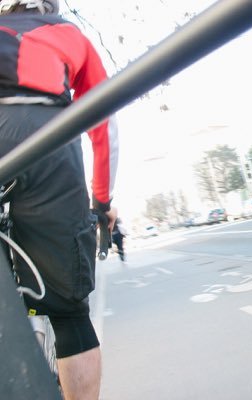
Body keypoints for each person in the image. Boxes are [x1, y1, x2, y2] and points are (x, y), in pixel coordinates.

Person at [0, 1, 118, 399]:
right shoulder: (68, 33)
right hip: (47, 141)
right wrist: (101, 204)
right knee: (69, 315)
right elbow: (104, 126)